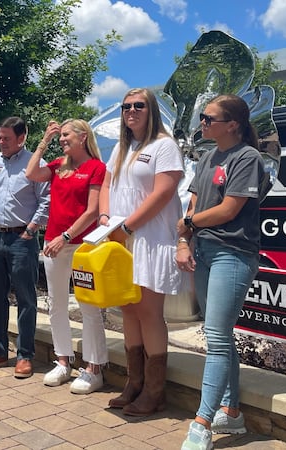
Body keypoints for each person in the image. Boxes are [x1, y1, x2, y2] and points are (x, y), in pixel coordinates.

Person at [178, 95, 264, 450]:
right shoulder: (207, 156)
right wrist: (184, 242)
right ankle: (232, 411)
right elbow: (194, 203)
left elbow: (229, 210)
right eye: (202, 116)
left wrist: (186, 224)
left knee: (215, 336)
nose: (202, 122)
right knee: (220, 335)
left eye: (208, 117)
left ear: (232, 124)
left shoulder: (248, 158)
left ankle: (202, 423)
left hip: (233, 252)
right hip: (204, 251)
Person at [98, 88, 184, 416]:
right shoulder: (123, 147)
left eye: (139, 106)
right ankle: (134, 383)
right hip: (120, 238)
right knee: (128, 310)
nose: (131, 111)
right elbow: (107, 185)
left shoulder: (164, 146)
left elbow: (163, 193)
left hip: (149, 239)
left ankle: (154, 390)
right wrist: (106, 219)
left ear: (151, 111)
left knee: (149, 312)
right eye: (126, 106)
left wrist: (128, 226)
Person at [25, 119, 109, 394]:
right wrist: (44, 141)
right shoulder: (58, 165)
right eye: (59, 136)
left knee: (89, 306)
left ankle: (94, 368)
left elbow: (93, 211)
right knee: (56, 304)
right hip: (54, 242)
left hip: (81, 244)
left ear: (83, 137)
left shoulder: (96, 168)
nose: (62, 140)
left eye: (65, 135)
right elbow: (30, 173)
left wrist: (66, 237)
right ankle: (63, 361)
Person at [0, 116, 50, 378]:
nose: (1, 142)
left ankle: (25, 355)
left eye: (7, 138)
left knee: (26, 298)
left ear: (22, 138)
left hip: (22, 239)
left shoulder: (35, 165)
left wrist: (32, 228)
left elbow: (46, 200)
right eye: (0, 137)